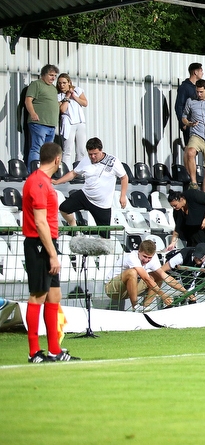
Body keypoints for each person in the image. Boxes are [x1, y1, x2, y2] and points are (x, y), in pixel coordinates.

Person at [22, 142, 80, 362]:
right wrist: (52, 254)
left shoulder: (42, 181)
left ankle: (55, 349)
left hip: (47, 243)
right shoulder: (37, 182)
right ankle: (34, 352)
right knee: (38, 295)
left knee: (54, 294)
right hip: (39, 244)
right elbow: (39, 222)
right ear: (57, 159)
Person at [53, 137, 128, 229]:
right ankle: (73, 225)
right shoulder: (86, 161)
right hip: (86, 196)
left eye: (95, 154)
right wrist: (57, 181)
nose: (92, 157)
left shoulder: (113, 161)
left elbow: (124, 177)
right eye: (90, 154)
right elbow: (73, 173)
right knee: (63, 209)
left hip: (102, 204)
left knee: (104, 237)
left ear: (101, 150)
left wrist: (123, 196)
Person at [104, 239, 185, 311]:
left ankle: (145, 307)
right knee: (132, 272)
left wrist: (186, 292)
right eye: (144, 256)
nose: (146, 260)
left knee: (158, 276)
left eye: (149, 257)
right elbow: (146, 278)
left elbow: (166, 277)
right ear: (139, 251)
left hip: (131, 288)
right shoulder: (132, 257)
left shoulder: (154, 258)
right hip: (113, 289)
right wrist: (162, 294)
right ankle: (135, 306)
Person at [24, 64, 60, 165]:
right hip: (39, 123)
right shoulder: (36, 84)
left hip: (51, 124)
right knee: (37, 148)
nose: (53, 78)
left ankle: (44, 172)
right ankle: (33, 171)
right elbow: (28, 100)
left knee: (48, 151)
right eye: (51, 75)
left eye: (55, 76)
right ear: (44, 74)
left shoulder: (53, 88)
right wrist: (33, 113)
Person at [56, 73, 88, 167]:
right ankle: (66, 171)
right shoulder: (59, 95)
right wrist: (67, 96)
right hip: (68, 123)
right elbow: (62, 109)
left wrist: (74, 96)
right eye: (60, 83)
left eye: (64, 83)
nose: (62, 85)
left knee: (81, 150)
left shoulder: (77, 90)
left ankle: (78, 170)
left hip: (80, 122)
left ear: (69, 82)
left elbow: (85, 103)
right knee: (67, 150)